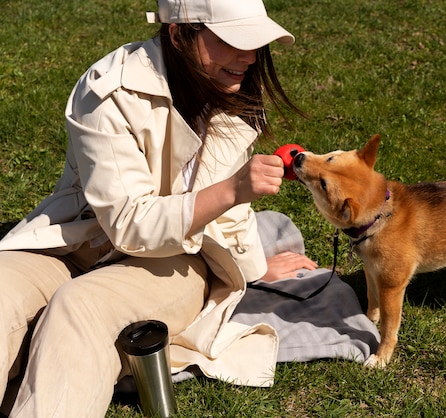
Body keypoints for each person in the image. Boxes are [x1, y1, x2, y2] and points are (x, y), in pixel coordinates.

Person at [0, 0, 318, 416]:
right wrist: (232, 189)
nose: (250, 56)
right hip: (86, 239)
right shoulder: (108, 92)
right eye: (231, 40)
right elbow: (129, 224)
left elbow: (233, 212)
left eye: (254, 41)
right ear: (178, 35)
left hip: (179, 261)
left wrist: (254, 269)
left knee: (80, 307)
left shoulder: (232, 89)